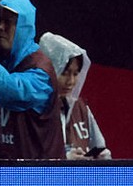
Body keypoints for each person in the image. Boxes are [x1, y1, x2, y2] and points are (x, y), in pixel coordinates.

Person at [0, 0, 65, 159]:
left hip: (40, 173)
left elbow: (10, 92)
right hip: (3, 170)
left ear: (23, 28)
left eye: (8, 22)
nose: (1, 27)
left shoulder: (41, 71)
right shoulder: (0, 62)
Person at [39, 32, 110, 160]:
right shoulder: (35, 109)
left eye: (75, 74)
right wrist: (64, 159)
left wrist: (103, 157)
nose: (71, 81)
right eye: (65, 73)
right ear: (50, 70)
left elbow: (99, 146)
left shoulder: (81, 108)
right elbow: (28, 157)